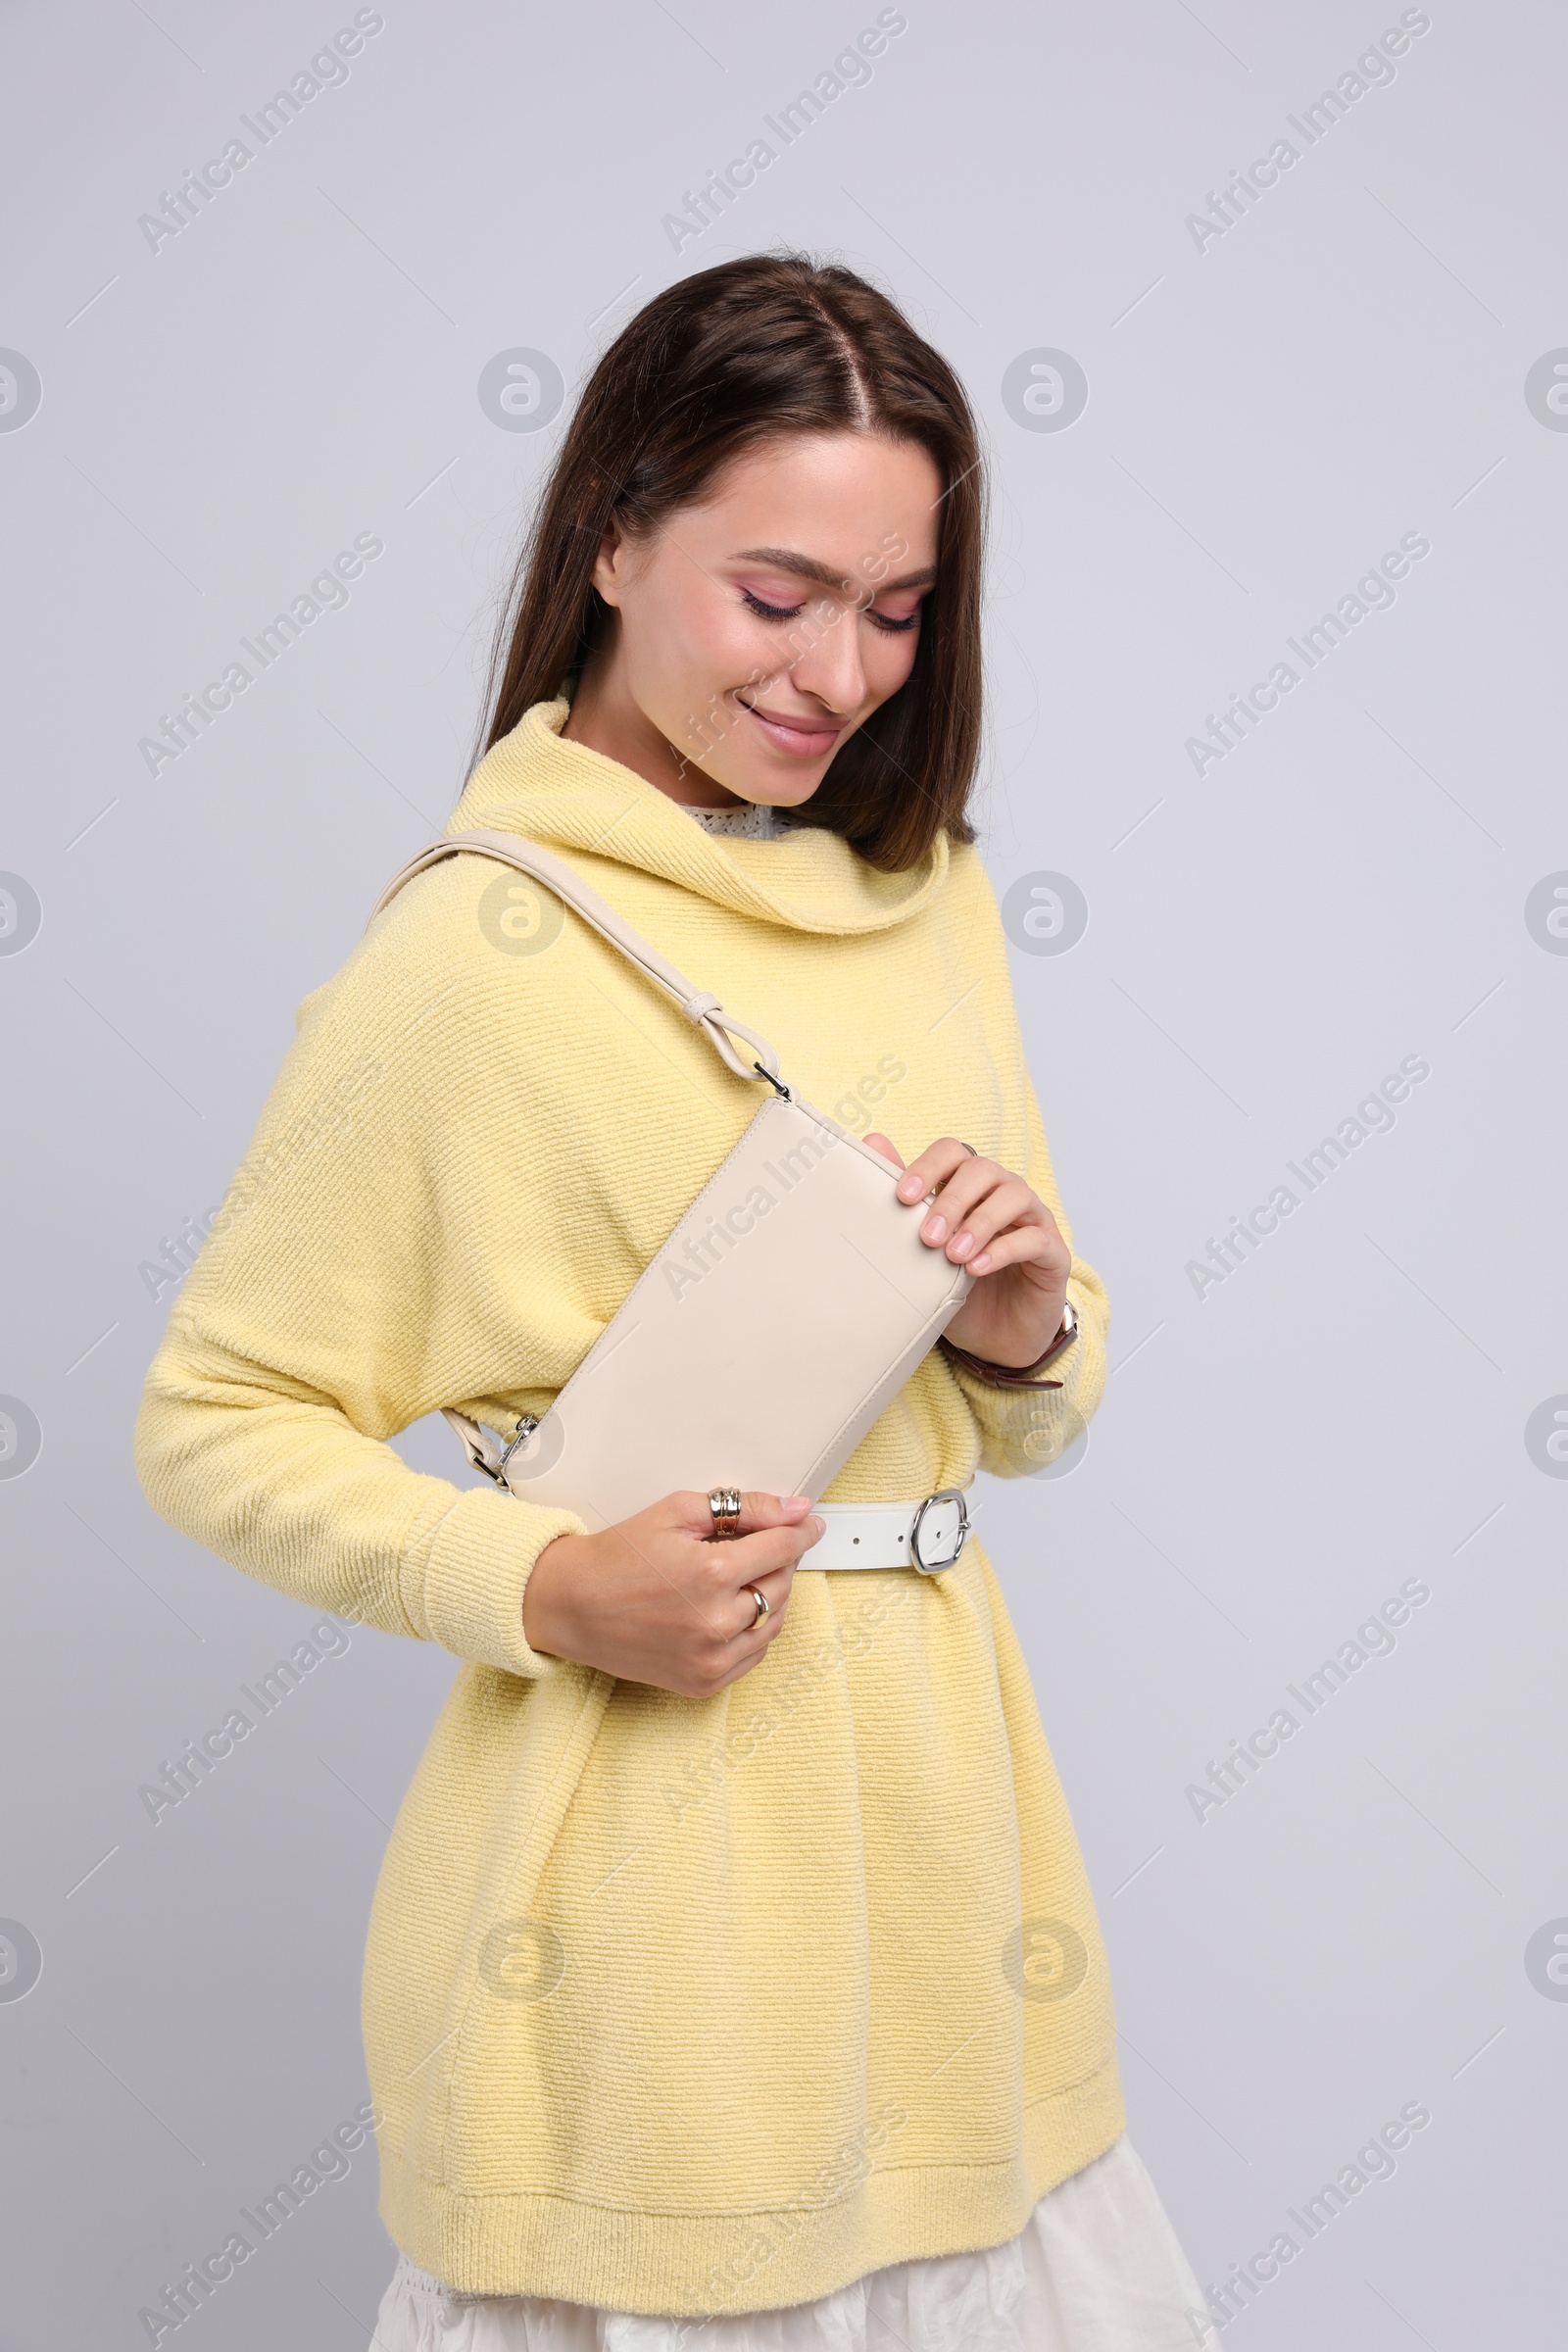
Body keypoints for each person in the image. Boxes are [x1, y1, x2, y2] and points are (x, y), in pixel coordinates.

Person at [135, 254, 1212, 2350]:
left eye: (897, 610)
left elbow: (1038, 1397)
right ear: (615, 535)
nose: (840, 671)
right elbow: (213, 1413)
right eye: (777, 591)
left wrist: (1022, 1327)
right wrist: (540, 1589)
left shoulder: (923, 895)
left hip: (955, 1858)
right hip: (654, 1903)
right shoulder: (470, 959)